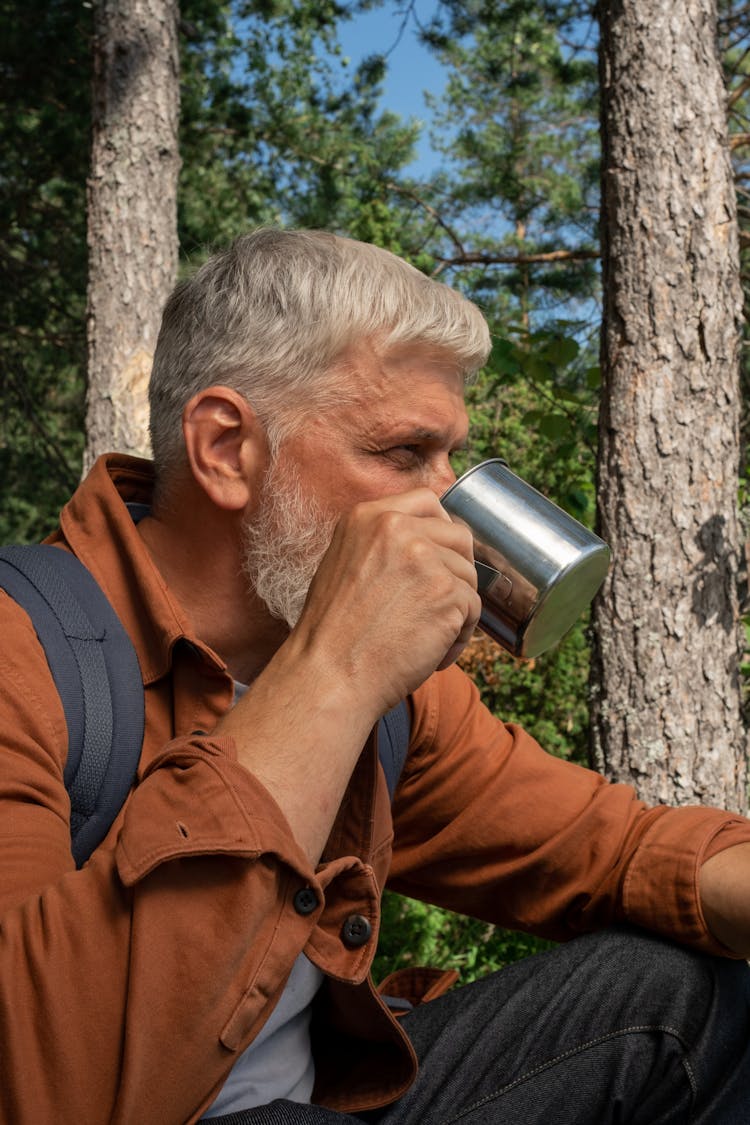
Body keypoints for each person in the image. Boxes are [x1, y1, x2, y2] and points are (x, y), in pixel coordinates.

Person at [2, 228, 750, 1125]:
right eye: (401, 455)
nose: (446, 506)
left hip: (326, 1108)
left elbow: (615, 852)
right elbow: (44, 1086)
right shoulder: (29, 654)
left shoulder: (400, 702)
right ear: (227, 448)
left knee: (676, 996)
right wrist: (334, 674)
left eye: (452, 460)